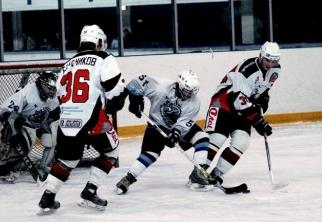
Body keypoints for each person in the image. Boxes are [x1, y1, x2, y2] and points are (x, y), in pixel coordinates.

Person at [38, 24, 128, 212]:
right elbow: (114, 89)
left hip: (68, 120)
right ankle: (90, 190)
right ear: (99, 42)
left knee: (68, 159)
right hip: (93, 119)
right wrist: (119, 99)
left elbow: (59, 96)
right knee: (111, 151)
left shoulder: (66, 64)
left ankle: (47, 197)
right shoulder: (104, 57)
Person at [115, 70, 211, 194]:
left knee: (202, 137)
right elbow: (138, 81)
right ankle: (128, 178)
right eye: (187, 91)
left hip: (177, 127)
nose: (189, 95)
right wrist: (134, 99)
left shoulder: (194, 102)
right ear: (180, 85)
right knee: (151, 154)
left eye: (192, 92)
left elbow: (184, 123)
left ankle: (198, 174)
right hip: (157, 124)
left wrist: (175, 134)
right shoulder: (161, 87)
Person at [200, 41, 281, 188]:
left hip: (243, 108)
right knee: (217, 139)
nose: (270, 64)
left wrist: (263, 99)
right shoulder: (247, 70)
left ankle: (216, 175)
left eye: (274, 61)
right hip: (223, 103)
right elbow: (238, 99)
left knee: (241, 142)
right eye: (268, 60)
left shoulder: (275, 71)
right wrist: (258, 121)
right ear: (261, 56)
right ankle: (198, 174)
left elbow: (262, 90)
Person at [0, 71, 60, 183]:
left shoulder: (55, 96)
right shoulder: (27, 93)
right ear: (42, 85)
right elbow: (6, 112)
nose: (52, 91)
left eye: (54, 88)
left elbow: (55, 114)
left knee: (51, 141)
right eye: (50, 88)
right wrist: (14, 130)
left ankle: (44, 167)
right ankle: (9, 168)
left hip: (42, 122)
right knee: (22, 146)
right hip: (25, 123)